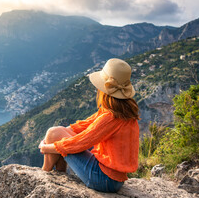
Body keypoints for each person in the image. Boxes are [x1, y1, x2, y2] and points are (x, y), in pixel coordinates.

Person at [38, 58, 140, 193]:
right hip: (113, 179)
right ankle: (58, 174)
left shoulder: (111, 117)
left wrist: (46, 147)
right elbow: (85, 125)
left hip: (103, 179)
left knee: (53, 134)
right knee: (55, 133)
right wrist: (60, 133)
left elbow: (81, 143)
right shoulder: (121, 111)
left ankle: (44, 174)